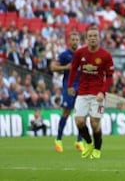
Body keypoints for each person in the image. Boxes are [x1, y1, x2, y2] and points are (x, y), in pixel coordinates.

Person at [68, 25, 114, 159]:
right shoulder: (79, 53)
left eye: (95, 36)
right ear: (86, 38)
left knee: (95, 123)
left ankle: (97, 149)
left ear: (99, 38)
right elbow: (73, 69)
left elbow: (110, 76)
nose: (92, 38)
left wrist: (102, 92)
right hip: (82, 92)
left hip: (97, 94)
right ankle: (88, 143)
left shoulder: (105, 55)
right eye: (90, 36)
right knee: (79, 121)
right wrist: (70, 85)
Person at [50, 31, 83, 153]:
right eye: (72, 39)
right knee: (66, 112)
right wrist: (65, 67)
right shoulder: (64, 55)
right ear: (69, 41)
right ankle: (58, 139)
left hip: (81, 87)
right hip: (69, 87)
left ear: (79, 41)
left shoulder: (83, 54)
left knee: (82, 114)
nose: (75, 41)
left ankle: (79, 141)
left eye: (76, 39)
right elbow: (52, 67)